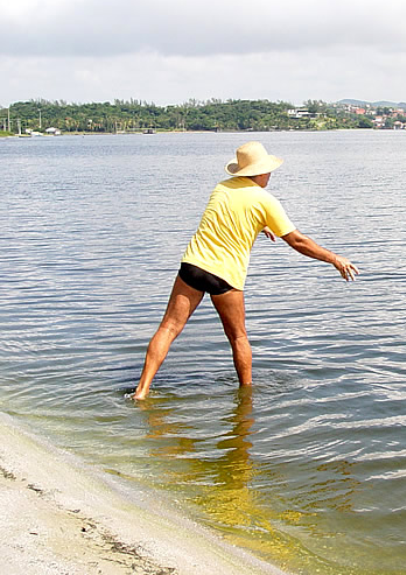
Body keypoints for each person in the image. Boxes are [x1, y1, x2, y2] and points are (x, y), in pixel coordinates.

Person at [132, 141, 358, 400]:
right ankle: (246, 396)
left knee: (169, 328)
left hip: (193, 266)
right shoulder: (265, 201)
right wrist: (334, 259)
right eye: (268, 170)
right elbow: (298, 241)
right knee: (238, 337)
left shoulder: (221, 188)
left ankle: (141, 391)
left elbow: (229, 213)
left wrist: (261, 225)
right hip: (225, 276)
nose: (270, 175)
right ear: (260, 172)